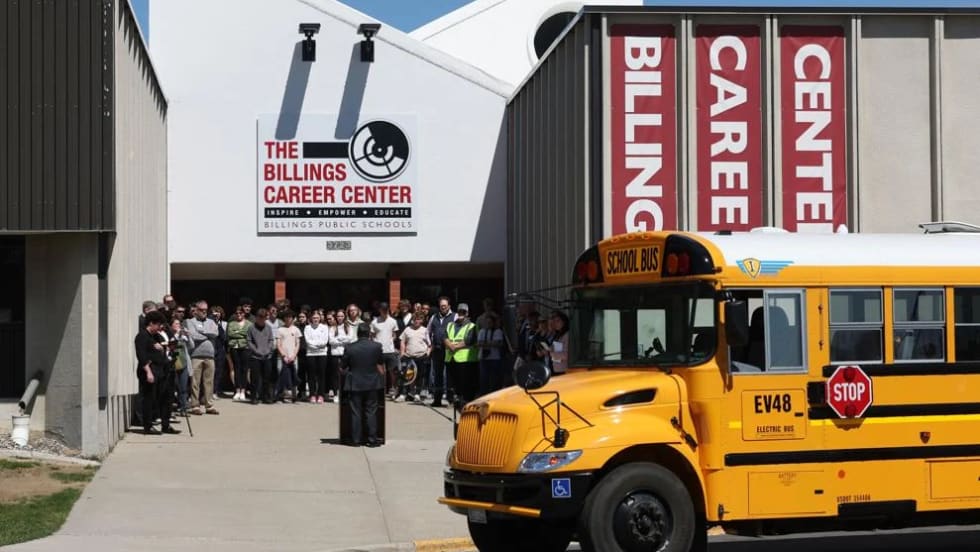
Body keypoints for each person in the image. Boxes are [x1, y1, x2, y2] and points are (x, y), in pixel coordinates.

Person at [134, 311, 179, 435]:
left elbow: (163, 348)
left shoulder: (156, 336)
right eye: (158, 325)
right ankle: (147, 426)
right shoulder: (142, 336)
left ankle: (166, 424)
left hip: (162, 371)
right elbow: (142, 356)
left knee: (166, 398)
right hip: (150, 372)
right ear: (151, 323)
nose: (160, 328)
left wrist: (167, 347)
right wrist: (148, 372)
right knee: (149, 399)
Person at [341, 324, 385, 447]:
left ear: (357, 334)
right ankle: (371, 439)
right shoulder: (376, 347)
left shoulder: (350, 347)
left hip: (355, 383)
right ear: (369, 333)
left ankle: (356, 440)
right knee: (371, 411)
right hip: (372, 383)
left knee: (356, 412)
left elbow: (343, 366)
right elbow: (380, 362)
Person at [185, 301, 219, 415]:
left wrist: (202, 332)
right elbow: (193, 335)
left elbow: (215, 333)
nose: (204, 312)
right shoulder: (190, 322)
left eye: (206, 309)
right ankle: (195, 405)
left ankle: (209, 405)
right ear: (196, 310)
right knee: (195, 382)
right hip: (196, 356)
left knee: (209, 382)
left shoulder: (211, 321)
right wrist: (207, 334)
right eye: (201, 309)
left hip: (210, 356)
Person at [445, 303, 479, 408]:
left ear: (467, 313)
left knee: (465, 383)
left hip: (466, 360)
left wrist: (454, 347)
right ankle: (453, 401)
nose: (461, 314)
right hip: (451, 358)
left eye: (463, 312)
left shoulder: (472, 326)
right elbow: (445, 337)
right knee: (452, 383)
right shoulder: (450, 325)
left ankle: (465, 401)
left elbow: (469, 340)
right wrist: (450, 345)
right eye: (459, 311)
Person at [427, 297, 456, 408]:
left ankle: (450, 399)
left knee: (449, 375)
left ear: (449, 306)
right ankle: (437, 399)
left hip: (449, 350)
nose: (443, 307)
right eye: (441, 306)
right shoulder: (434, 317)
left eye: (444, 305)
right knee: (437, 375)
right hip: (437, 350)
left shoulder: (455, 316)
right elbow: (427, 331)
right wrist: (430, 344)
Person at [247, 308, 276, 404]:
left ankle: (266, 397)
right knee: (255, 378)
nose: (262, 320)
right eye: (260, 318)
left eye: (264, 318)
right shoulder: (251, 328)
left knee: (266, 378)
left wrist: (269, 349)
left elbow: (271, 340)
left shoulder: (268, 327)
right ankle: (254, 397)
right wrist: (256, 350)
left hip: (267, 356)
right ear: (257, 317)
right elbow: (249, 341)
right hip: (255, 357)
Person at [370, 302, 400, 397]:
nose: (385, 311)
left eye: (386, 310)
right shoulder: (374, 322)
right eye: (383, 310)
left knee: (393, 371)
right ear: (379, 310)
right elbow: (371, 336)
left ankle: (394, 389)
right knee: (380, 372)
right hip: (379, 351)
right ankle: (381, 390)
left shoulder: (393, 321)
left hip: (390, 350)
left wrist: (391, 340)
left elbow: (395, 334)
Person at [399, 314, 431, 403]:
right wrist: (402, 352)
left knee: (420, 376)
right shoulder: (407, 329)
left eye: (419, 319)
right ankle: (404, 394)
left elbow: (430, 344)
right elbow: (402, 341)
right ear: (413, 320)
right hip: (409, 356)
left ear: (422, 320)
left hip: (420, 357)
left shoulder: (425, 330)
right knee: (406, 375)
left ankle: (417, 394)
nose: (417, 321)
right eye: (415, 319)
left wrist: (428, 352)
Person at [328, 310, 356, 403]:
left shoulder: (348, 327)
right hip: (335, 353)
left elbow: (350, 339)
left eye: (342, 316)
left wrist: (339, 339)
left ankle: (346, 393)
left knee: (346, 374)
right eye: (338, 316)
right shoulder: (332, 328)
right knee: (335, 375)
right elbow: (331, 341)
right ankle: (336, 394)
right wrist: (342, 340)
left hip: (345, 353)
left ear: (344, 317)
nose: (340, 318)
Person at [477, 312, 507, 396]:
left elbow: (498, 344)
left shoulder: (498, 331)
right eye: (487, 322)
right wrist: (491, 343)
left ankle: (494, 394)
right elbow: (479, 343)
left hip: (494, 358)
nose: (488, 324)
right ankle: (484, 394)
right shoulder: (482, 331)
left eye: (490, 322)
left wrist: (486, 343)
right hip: (483, 358)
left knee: (494, 379)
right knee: (483, 378)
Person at [276, 310, 302, 402]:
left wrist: (294, 355)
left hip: (293, 357)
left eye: (290, 317)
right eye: (286, 317)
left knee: (293, 375)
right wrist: (284, 355)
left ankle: (293, 396)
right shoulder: (279, 329)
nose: (288, 319)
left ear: (293, 318)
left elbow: (298, 344)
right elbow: (278, 344)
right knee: (281, 374)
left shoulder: (296, 329)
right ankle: (282, 395)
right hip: (282, 357)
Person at [227, 308, 252, 402]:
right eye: (237, 313)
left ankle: (243, 391)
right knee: (236, 369)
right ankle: (237, 390)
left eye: (240, 313)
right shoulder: (231, 323)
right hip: (234, 347)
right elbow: (230, 334)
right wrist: (241, 334)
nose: (238, 314)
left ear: (244, 314)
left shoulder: (249, 324)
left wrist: (237, 332)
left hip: (245, 348)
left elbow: (248, 334)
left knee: (245, 370)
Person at [304, 311, 329, 403]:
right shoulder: (307, 328)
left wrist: (318, 345)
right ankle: (312, 395)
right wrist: (317, 345)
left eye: (317, 318)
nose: (315, 320)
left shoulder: (325, 327)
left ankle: (321, 395)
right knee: (311, 375)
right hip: (311, 354)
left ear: (320, 318)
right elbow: (308, 341)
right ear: (311, 319)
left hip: (322, 353)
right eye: (314, 318)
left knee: (321, 375)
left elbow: (325, 341)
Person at [210, 306, 229, 400]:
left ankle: (215, 391)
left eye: (218, 313)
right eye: (215, 313)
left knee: (219, 371)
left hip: (221, 349)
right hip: (212, 349)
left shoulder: (225, 324)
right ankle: (208, 391)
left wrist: (218, 324)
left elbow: (224, 337)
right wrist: (213, 321)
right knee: (210, 371)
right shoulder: (208, 323)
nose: (217, 315)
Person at [548, 311, 570, 375]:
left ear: (564, 322)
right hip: (556, 368)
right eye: (554, 321)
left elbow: (567, 355)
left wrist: (552, 354)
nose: (555, 323)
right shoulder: (558, 335)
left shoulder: (567, 335)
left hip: (563, 369)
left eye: (558, 321)